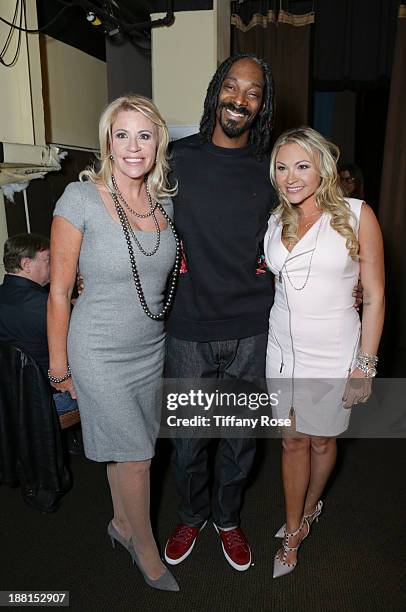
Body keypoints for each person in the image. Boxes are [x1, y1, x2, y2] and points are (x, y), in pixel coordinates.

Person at [47, 95, 180, 592]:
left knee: (125, 451)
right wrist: (60, 369)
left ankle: (121, 524)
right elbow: (59, 292)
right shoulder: (80, 200)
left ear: (158, 142)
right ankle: (145, 548)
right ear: (107, 142)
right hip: (98, 351)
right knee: (139, 456)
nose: (132, 146)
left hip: (150, 348)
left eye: (144, 135)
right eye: (121, 134)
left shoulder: (163, 203)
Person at [163, 53, 276, 571]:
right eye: (232, 87)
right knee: (187, 443)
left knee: (239, 439)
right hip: (188, 326)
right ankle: (192, 514)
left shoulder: (272, 167)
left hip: (254, 327)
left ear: (262, 104)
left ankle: (227, 519)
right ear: (216, 91)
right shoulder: (176, 159)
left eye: (253, 93)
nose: (240, 99)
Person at [264, 127, 385, 578]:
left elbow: (373, 295)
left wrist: (365, 366)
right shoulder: (276, 220)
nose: (290, 177)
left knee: (322, 440)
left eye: (301, 165)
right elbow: (282, 286)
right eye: (281, 166)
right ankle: (294, 526)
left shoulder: (357, 214)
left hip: (333, 354)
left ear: (322, 168)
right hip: (280, 351)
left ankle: (312, 506)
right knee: (292, 441)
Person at [0, 233, 77, 419]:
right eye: (48, 260)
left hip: (8, 401)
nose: (54, 266)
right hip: (48, 401)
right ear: (26, 264)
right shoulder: (47, 306)